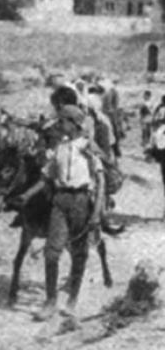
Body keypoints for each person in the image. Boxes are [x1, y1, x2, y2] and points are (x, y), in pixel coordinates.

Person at [15, 105, 104, 322]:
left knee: (79, 253)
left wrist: (97, 213)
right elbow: (46, 177)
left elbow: (101, 181)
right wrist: (27, 195)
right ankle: (50, 301)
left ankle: (72, 301)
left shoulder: (88, 147)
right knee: (51, 253)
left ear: (74, 123)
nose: (59, 125)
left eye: (63, 121)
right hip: (60, 200)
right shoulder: (60, 148)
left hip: (82, 200)